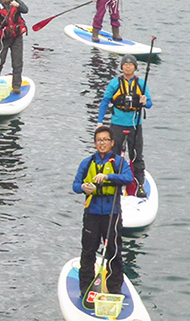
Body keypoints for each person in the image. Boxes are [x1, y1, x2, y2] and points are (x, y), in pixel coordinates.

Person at [72, 126, 132, 309]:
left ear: (112, 143)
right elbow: (75, 185)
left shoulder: (120, 163)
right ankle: (86, 288)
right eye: (99, 140)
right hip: (92, 215)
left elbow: (128, 179)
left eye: (106, 140)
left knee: (114, 252)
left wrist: (108, 176)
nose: (102, 143)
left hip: (112, 215)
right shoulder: (87, 162)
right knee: (88, 251)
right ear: (95, 143)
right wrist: (83, 188)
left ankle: (115, 289)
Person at [97, 54, 152, 197]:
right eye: (125, 65)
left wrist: (145, 101)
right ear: (121, 67)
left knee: (136, 156)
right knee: (114, 155)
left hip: (135, 125)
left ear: (135, 67)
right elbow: (105, 102)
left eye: (131, 65)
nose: (128, 67)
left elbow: (150, 104)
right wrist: (99, 122)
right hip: (117, 125)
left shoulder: (141, 84)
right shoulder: (115, 83)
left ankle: (139, 185)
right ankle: (114, 184)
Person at [0, 0, 28, 94]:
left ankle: (16, 85)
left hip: (17, 37)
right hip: (4, 38)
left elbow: (25, 10)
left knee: (17, 61)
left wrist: (18, 6)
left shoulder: (16, 2)